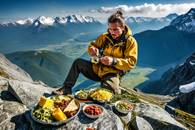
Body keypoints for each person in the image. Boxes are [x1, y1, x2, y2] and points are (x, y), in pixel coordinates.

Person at [53, 10, 138, 95]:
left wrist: (113, 61)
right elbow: (93, 45)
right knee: (78, 63)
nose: (112, 32)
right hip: (98, 68)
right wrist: (92, 49)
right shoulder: (104, 37)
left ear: (123, 28)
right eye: (110, 29)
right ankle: (66, 88)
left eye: (115, 29)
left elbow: (131, 62)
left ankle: (116, 88)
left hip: (112, 72)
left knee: (108, 93)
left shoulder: (130, 41)